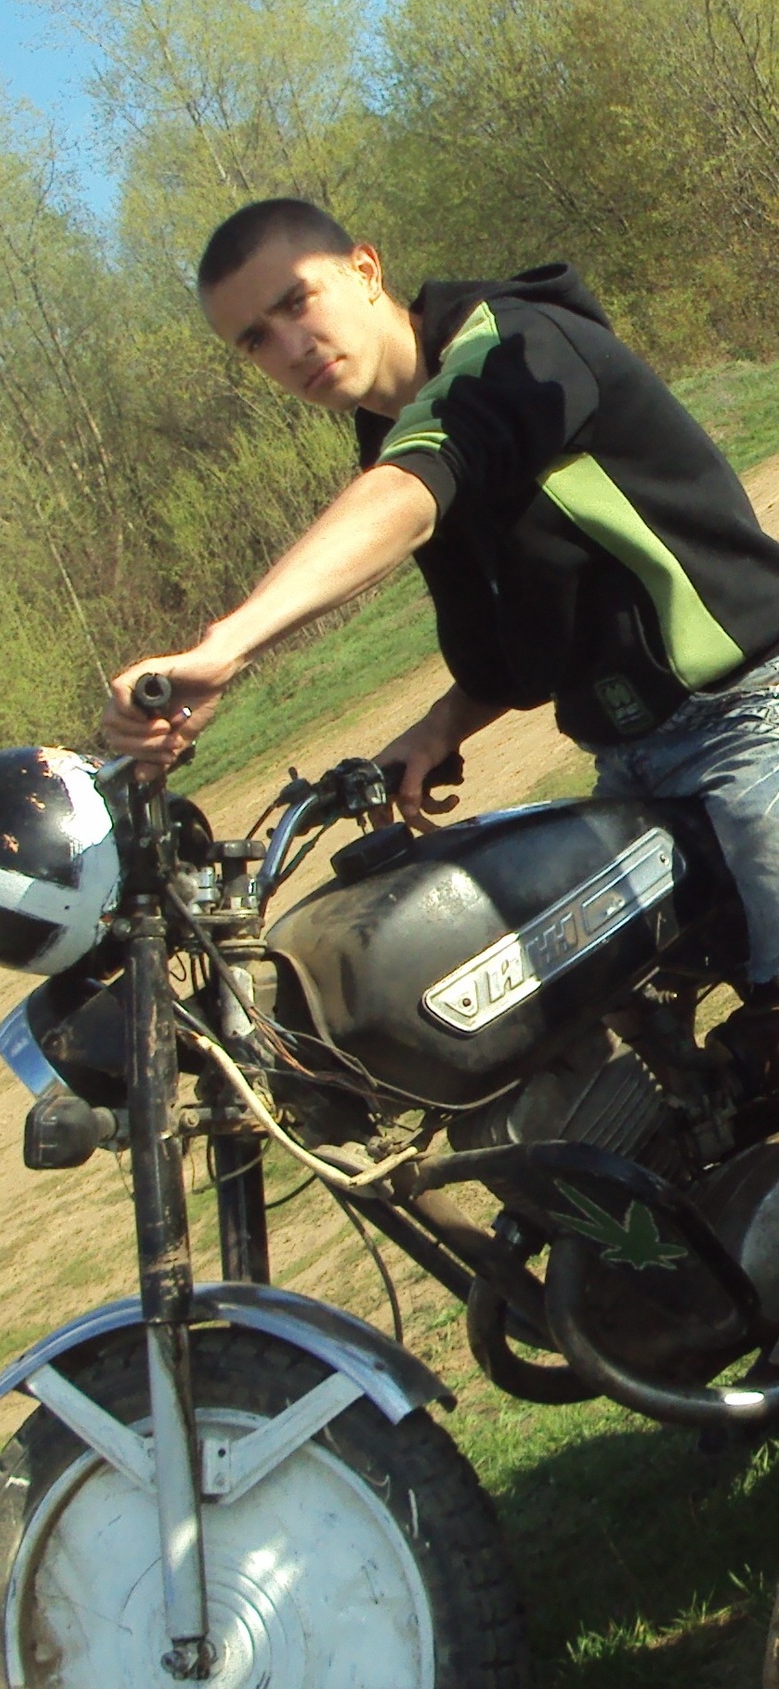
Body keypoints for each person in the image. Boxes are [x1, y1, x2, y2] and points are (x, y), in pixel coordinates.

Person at [101, 196, 779, 1070]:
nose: (289, 347)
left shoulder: (514, 347)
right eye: (255, 340)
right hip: (629, 763)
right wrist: (439, 728)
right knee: (558, 1025)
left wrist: (222, 647)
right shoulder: (391, 434)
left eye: (296, 302)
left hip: (751, 718)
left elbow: (411, 489)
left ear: (365, 270)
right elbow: (508, 646)